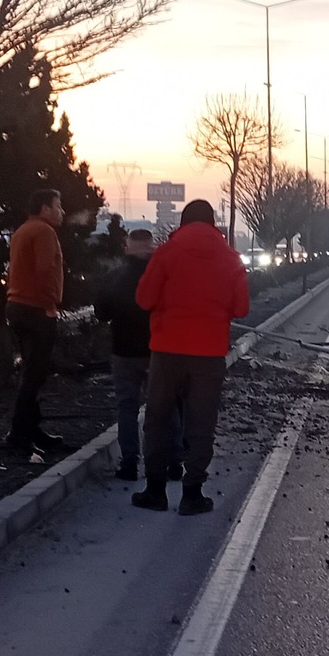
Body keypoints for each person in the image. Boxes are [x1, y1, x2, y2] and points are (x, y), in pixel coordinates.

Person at [132, 200, 250, 515]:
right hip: (209, 354)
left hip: (167, 351)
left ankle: (155, 490)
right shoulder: (230, 258)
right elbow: (241, 309)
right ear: (213, 224)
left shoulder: (165, 254)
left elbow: (144, 299)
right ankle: (192, 493)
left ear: (182, 223)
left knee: (157, 418)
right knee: (201, 423)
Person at [93, 227, 178, 482]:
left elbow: (101, 313)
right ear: (152, 246)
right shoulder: (165, 274)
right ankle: (174, 462)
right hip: (159, 350)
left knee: (127, 408)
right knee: (166, 406)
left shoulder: (114, 275)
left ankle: (129, 464)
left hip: (124, 351)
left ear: (127, 246)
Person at [4, 188, 67, 453]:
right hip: (36, 309)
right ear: (44, 209)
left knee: (32, 370)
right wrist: (50, 303)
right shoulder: (44, 232)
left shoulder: (22, 231)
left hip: (17, 306)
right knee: (34, 374)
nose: (62, 211)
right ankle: (19, 433)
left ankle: (32, 430)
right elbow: (45, 270)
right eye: (58, 205)